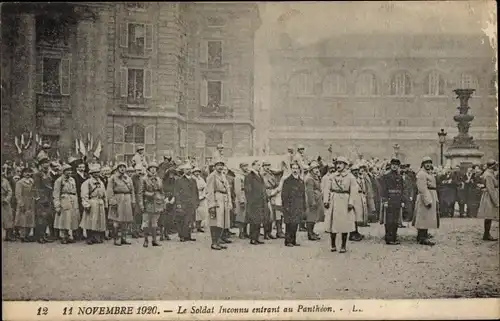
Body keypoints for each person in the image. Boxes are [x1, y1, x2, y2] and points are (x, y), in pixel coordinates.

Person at [323, 157, 357, 253]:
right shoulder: (332, 176)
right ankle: (333, 244)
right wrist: (326, 200)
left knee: (344, 224)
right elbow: (327, 189)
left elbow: (353, 191)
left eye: (341, 163)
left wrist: (351, 202)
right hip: (334, 200)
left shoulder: (350, 177)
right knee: (332, 223)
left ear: (345, 165)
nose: (338, 165)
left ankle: (343, 245)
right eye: (337, 163)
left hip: (345, 201)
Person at [206, 158, 233, 250]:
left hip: (224, 199)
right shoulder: (212, 176)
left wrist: (229, 202)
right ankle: (214, 242)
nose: (220, 167)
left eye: (222, 165)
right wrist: (211, 205)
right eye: (218, 165)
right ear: (214, 167)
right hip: (217, 199)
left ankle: (219, 241)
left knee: (223, 222)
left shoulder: (223, 175)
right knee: (215, 222)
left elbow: (228, 189)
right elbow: (209, 191)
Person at [107, 162, 136, 246]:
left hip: (127, 199)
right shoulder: (113, 178)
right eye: (120, 167)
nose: (122, 168)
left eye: (124, 167)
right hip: (117, 198)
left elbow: (132, 190)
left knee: (126, 220)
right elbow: (109, 190)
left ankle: (124, 238)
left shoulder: (128, 178)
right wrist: (112, 201)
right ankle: (116, 239)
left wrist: (133, 200)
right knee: (116, 220)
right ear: (117, 168)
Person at [413, 156, 439, 246]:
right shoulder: (421, 174)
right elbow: (422, 188)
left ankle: (423, 234)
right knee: (423, 217)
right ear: (423, 164)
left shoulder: (428, 173)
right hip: (426, 197)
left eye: (429, 163)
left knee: (426, 218)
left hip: (431, 194)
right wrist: (427, 200)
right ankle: (422, 237)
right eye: (426, 163)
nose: (428, 165)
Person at [138, 162, 165, 247]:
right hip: (148, 202)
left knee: (154, 222)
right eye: (151, 168)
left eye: (155, 168)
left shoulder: (159, 179)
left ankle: (154, 240)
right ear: (148, 169)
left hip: (157, 203)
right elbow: (140, 193)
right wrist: (141, 204)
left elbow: (162, 191)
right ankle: (146, 240)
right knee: (146, 222)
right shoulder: (144, 179)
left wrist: (162, 201)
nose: (153, 170)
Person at [80, 164, 107, 245]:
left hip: (100, 202)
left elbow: (104, 194)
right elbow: (84, 195)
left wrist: (105, 203)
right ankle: (89, 237)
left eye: (98, 172)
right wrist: (86, 204)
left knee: (99, 221)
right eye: (95, 172)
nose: (97, 174)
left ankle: (96, 237)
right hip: (92, 202)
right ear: (91, 173)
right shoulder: (87, 183)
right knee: (90, 220)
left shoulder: (101, 182)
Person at [379, 158, 405, 245]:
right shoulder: (386, 176)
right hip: (389, 199)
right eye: (393, 164)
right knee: (389, 219)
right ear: (390, 165)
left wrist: (402, 200)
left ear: (398, 166)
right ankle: (389, 238)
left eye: (396, 165)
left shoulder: (400, 177)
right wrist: (385, 200)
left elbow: (402, 189)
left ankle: (394, 237)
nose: (394, 166)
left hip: (397, 199)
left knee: (395, 219)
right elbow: (384, 189)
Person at [53, 164, 80, 244]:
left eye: (70, 170)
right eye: (67, 170)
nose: (69, 172)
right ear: (63, 171)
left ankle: (68, 235)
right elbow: (56, 193)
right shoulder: (59, 180)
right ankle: (63, 236)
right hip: (64, 199)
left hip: (72, 199)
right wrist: (57, 205)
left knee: (71, 218)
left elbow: (75, 192)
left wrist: (76, 202)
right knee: (64, 218)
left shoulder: (72, 180)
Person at [281, 162, 306, 247]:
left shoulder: (301, 181)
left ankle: (293, 240)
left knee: (295, 223)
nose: (295, 170)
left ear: (299, 170)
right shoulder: (287, 181)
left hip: (298, 205)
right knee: (289, 223)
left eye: (296, 168)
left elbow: (303, 195)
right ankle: (288, 241)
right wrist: (286, 206)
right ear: (291, 169)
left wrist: (304, 207)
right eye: (293, 168)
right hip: (290, 206)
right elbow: (284, 195)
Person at [244, 160, 269, 245]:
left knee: (259, 221)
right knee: (254, 221)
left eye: (260, 165)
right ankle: (253, 239)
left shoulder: (260, 176)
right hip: (254, 202)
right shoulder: (249, 176)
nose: (259, 167)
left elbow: (263, 188)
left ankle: (257, 238)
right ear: (253, 165)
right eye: (258, 165)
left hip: (261, 202)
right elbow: (248, 190)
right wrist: (251, 201)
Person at [174, 163, 198, 242]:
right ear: (183, 170)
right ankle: (182, 236)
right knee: (182, 220)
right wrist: (178, 203)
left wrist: (196, 202)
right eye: (187, 169)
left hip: (191, 203)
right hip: (183, 202)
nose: (189, 171)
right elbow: (176, 192)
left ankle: (188, 235)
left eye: (190, 169)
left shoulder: (193, 180)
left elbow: (196, 192)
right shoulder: (179, 180)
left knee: (189, 220)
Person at [33, 157, 55, 244]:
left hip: (49, 198)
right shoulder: (37, 174)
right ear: (41, 165)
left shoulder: (49, 174)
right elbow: (36, 188)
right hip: (42, 199)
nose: (46, 165)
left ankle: (44, 235)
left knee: (47, 218)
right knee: (41, 218)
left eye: (47, 163)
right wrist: (41, 198)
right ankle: (40, 236)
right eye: (45, 163)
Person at [477, 159, 499, 241]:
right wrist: (496, 202)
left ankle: (486, 234)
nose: (497, 167)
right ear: (492, 166)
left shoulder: (489, 173)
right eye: (496, 165)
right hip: (489, 197)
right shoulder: (489, 175)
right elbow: (491, 189)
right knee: (489, 216)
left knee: (489, 216)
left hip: (488, 195)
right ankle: (486, 235)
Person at [14, 167, 36, 242]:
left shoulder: (32, 181)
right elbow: (18, 195)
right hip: (23, 201)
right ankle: (22, 236)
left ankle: (27, 235)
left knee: (30, 218)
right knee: (23, 219)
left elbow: (34, 191)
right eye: (26, 172)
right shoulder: (20, 182)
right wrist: (21, 204)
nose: (27, 174)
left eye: (29, 172)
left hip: (31, 201)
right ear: (23, 174)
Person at [304, 160, 323, 241]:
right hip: (312, 201)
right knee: (311, 218)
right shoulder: (310, 179)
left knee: (314, 217)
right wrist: (312, 202)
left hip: (316, 199)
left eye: (317, 168)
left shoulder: (315, 177)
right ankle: (310, 234)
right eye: (315, 168)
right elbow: (309, 191)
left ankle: (312, 232)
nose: (317, 170)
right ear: (311, 170)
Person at [261, 161, 279, 240]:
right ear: (263, 166)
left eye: (268, 165)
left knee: (272, 215)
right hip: (266, 193)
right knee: (267, 215)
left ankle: (270, 232)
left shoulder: (271, 174)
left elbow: (275, 183)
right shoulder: (262, 175)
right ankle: (266, 233)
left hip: (273, 193)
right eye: (266, 166)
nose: (267, 167)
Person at [349, 164, 367, 241]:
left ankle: (356, 232)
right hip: (353, 198)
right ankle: (352, 234)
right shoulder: (350, 179)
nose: (356, 172)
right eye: (354, 171)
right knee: (352, 217)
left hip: (359, 197)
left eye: (357, 170)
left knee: (357, 216)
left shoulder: (360, 178)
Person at [234, 162, 249, 239]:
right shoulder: (238, 177)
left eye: (247, 166)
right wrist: (241, 200)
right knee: (241, 215)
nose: (246, 168)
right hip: (241, 195)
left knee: (246, 216)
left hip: (247, 195)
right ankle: (241, 232)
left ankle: (245, 232)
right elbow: (237, 190)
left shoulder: (247, 175)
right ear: (241, 167)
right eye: (244, 166)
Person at [193, 167, 208, 233]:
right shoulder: (192, 179)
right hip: (195, 195)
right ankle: (194, 226)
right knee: (195, 212)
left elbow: (205, 187)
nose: (197, 173)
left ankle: (199, 226)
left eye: (198, 172)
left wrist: (203, 195)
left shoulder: (201, 179)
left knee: (202, 212)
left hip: (202, 195)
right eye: (195, 172)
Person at [2, 168, 15, 241]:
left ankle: (8, 235)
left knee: (8, 218)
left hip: (5, 201)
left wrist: (6, 199)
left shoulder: (5, 181)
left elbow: (10, 191)